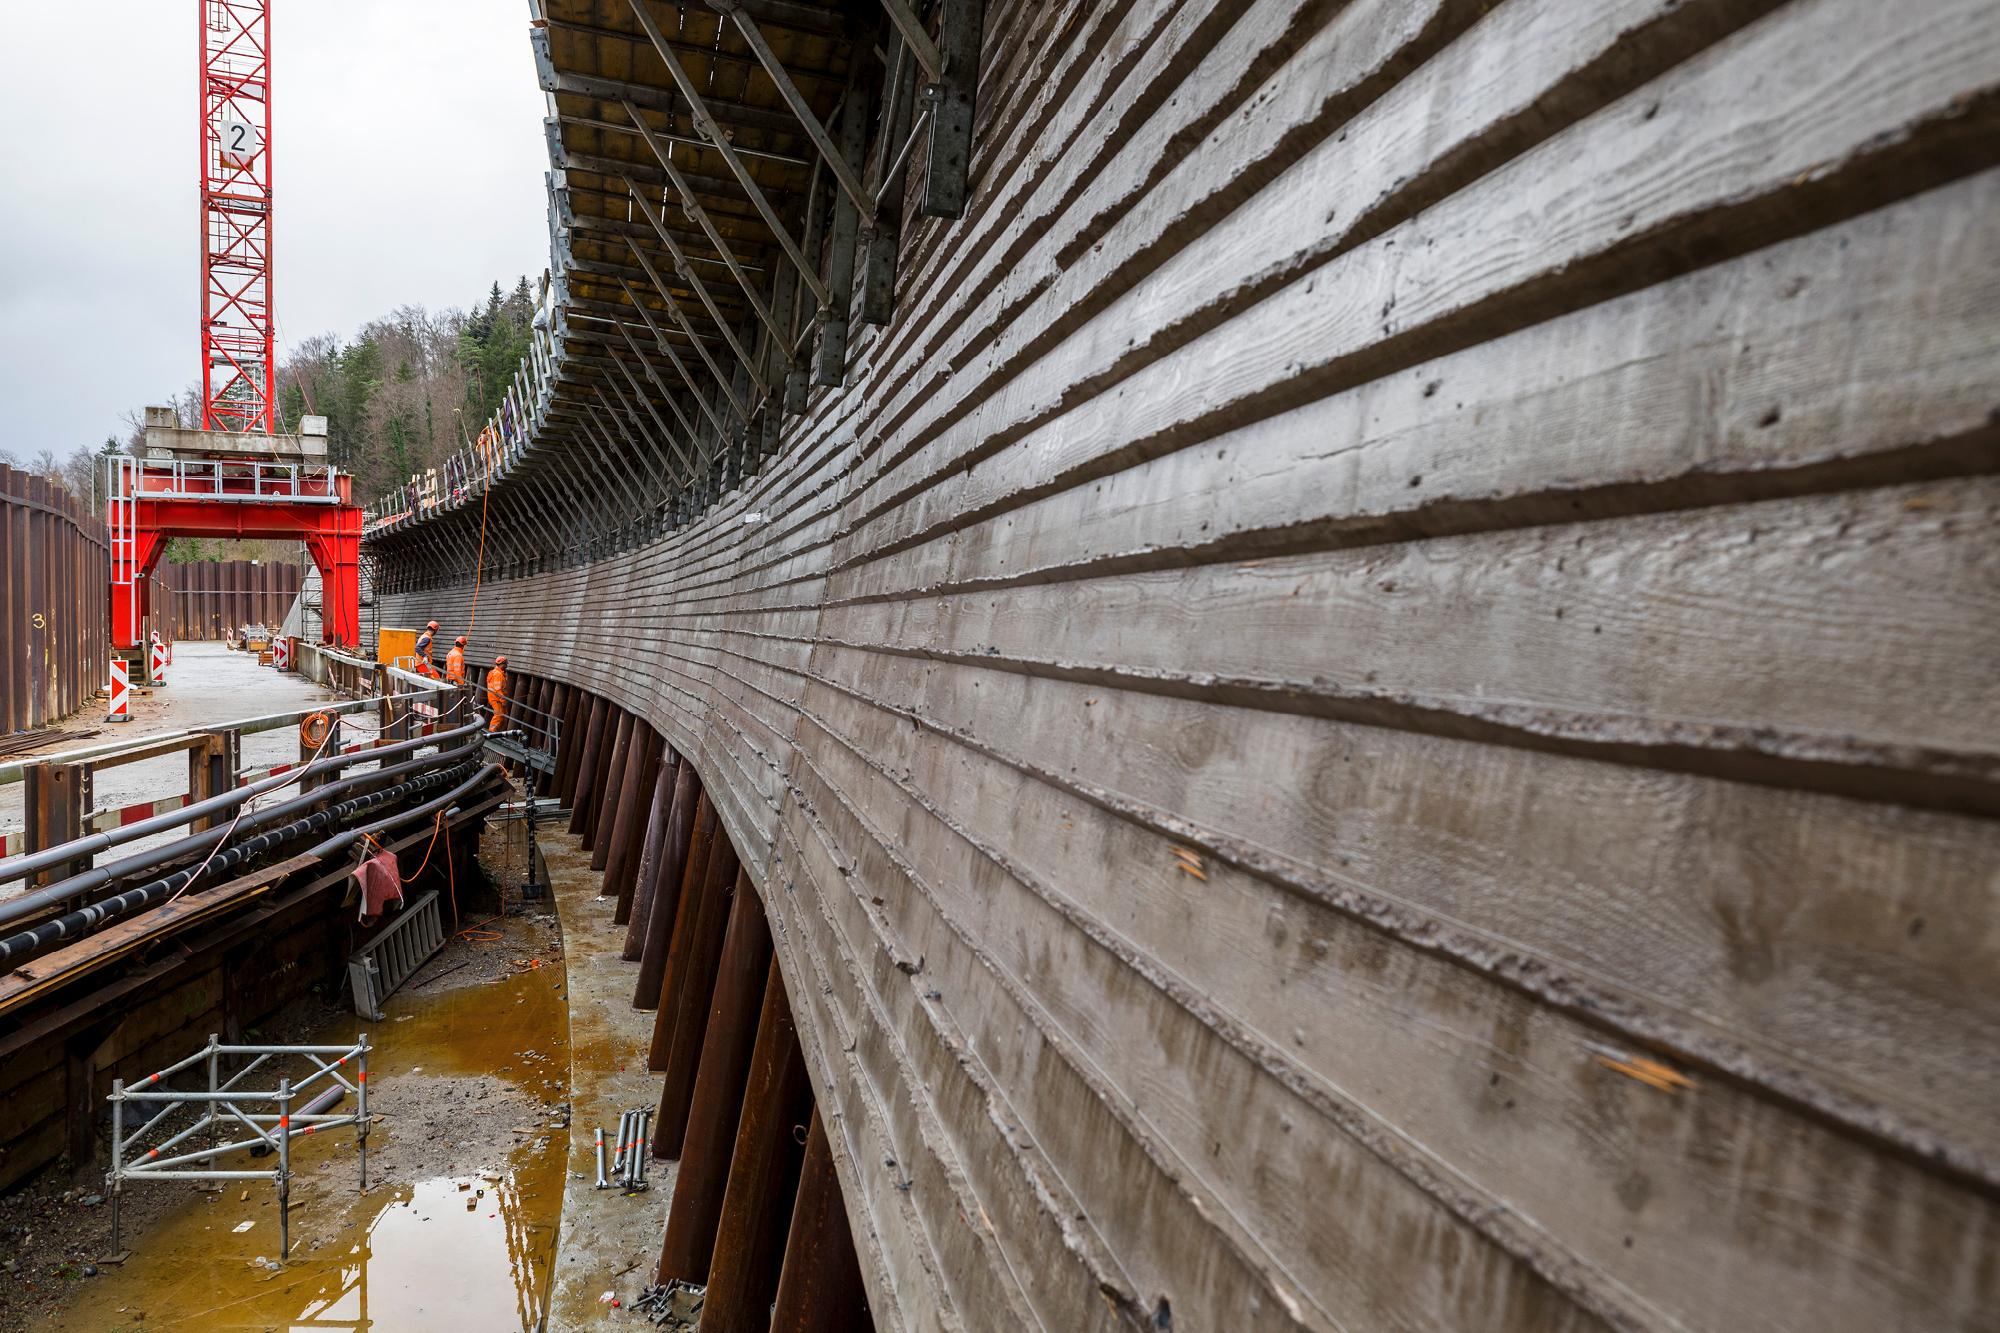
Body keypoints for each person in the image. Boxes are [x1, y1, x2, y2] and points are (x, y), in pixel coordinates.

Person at [485, 655, 509, 733]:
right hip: (496, 698)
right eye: (506, 664)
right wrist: (503, 700)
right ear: (502, 664)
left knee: (503, 715)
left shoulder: (495, 672)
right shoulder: (498, 674)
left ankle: (498, 732)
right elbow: (498, 689)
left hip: (495, 697)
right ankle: (491, 732)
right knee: (499, 715)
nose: (506, 666)